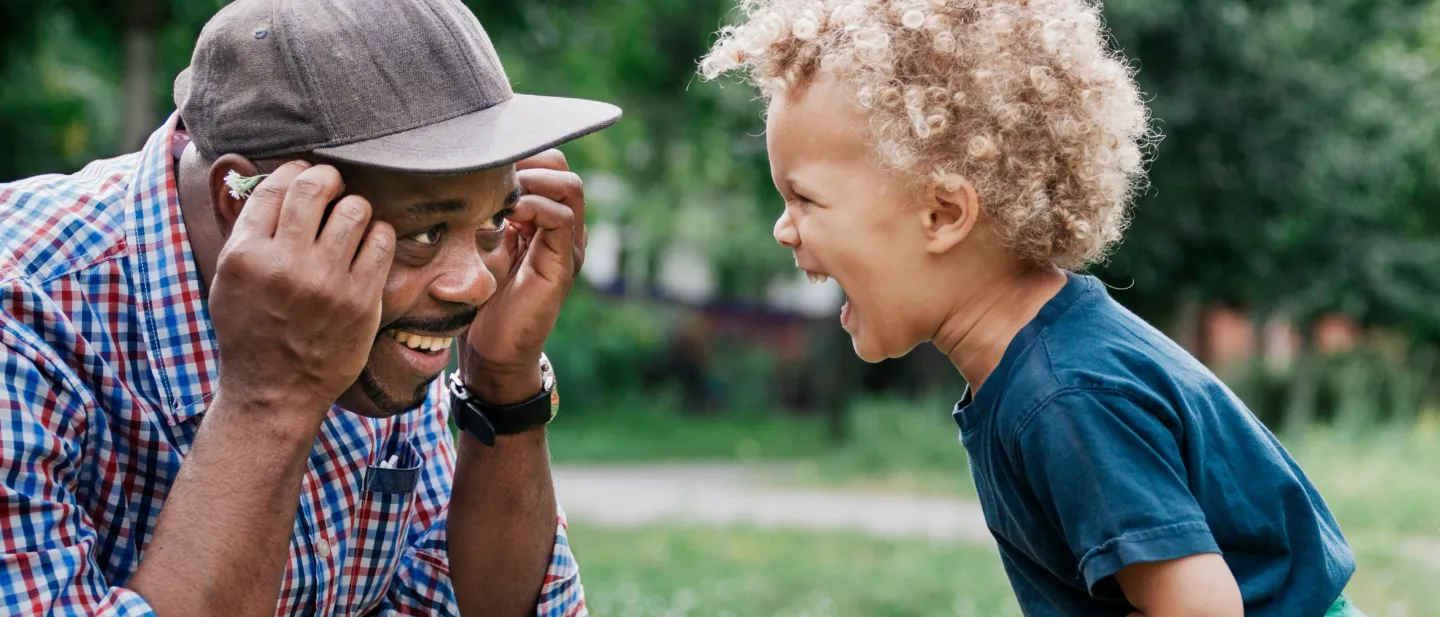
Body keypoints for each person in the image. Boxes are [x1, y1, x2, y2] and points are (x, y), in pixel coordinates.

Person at [699, 1, 1361, 616]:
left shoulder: (1065, 395)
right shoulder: (1047, 364)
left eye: (805, 199)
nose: (783, 229)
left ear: (943, 214)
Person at [0, 0, 619, 615]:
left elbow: (452, 605)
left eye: (493, 221)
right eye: (425, 231)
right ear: (245, 202)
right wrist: (270, 397)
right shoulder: (23, 318)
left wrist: (502, 383)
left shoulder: (389, 307)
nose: (473, 284)